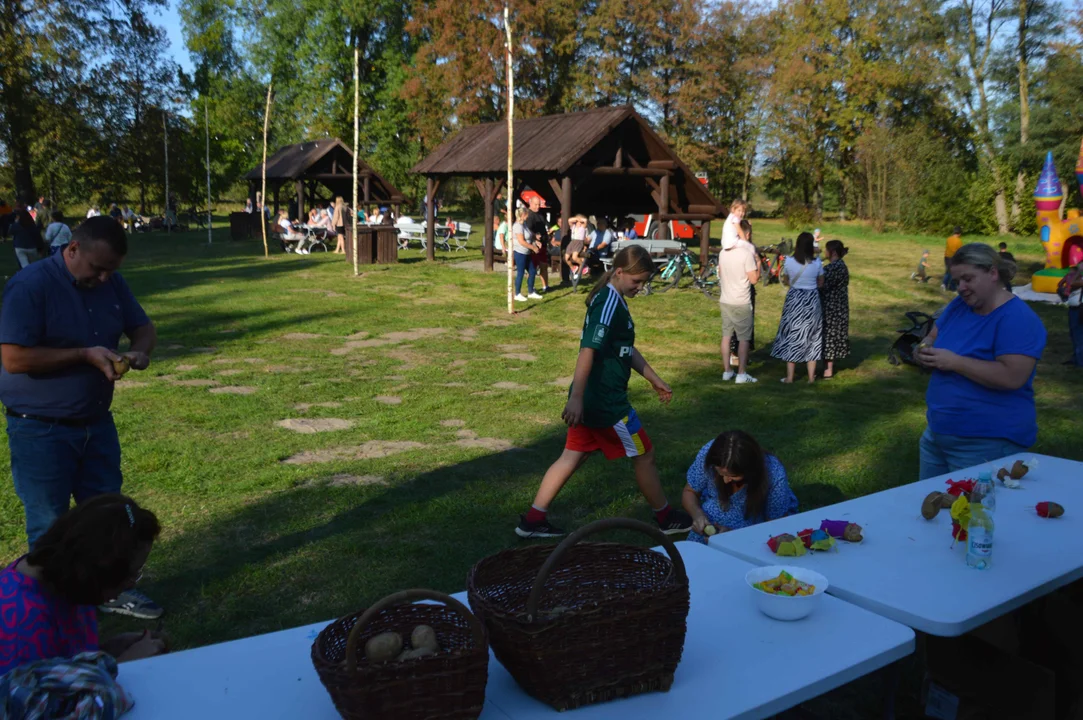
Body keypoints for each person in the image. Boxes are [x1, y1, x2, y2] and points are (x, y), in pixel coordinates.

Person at [0, 217, 162, 619]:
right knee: (50, 523)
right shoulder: (31, 285)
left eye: (112, 271)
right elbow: (13, 358)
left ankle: (109, 592)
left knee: (109, 518)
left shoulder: (111, 283)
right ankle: (49, 608)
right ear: (72, 249)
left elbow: (143, 327)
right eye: (97, 268)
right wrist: (84, 353)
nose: (104, 278)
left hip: (95, 423)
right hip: (39, 427)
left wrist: (140, 351)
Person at [516, 245, 693, 538]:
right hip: (606, 404)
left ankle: (533, 520)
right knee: (644, 453)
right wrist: (576, 399)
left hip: (593, 400)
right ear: (619, 272)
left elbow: (625, 348)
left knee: (573, 455)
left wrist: (654, 378)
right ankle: (664, 518)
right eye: (637, 282)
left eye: (644, 283)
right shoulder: (608, 303)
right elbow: (588, 349)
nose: (640, 288)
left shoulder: (614, 298)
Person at [916, 243, 1046, 479]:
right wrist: (923, 350)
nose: (961, 288)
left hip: (987, 441)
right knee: (933, 512)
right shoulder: (959, 306)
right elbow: (932, 336)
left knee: (978, 514)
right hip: (937, 434)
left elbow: (1012, 377)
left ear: (993, 273)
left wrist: (955, 362)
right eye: (957, 282)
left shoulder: (1017, 318)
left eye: (968, 279)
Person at [0, 494, 167, 676]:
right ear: (96, 568)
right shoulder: (24, 621)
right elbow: (35, 700)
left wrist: (106, 651)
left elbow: (63, 662)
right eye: (128, 574)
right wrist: (122, 665)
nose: (131, 584)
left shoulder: (65, 579)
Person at [682, 430, 798, 544]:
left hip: (754, 524)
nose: (725, 480)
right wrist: (698, 514)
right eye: (720, 473)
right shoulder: (710, 454)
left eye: (733, 476)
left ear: (750, 470)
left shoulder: (774, 473)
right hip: (714, 515)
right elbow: (690, 491)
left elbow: (775, 528)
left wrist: (735, 536)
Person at [771, 231, 824, 384]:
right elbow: (821, 282)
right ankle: (811, 377)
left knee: (793, 335)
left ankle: (790, 377)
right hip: (812, 300)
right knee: (813, 336)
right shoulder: (817, 263)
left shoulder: (789, 262)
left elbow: (786, 279)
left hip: (795, 299)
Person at [719, 216, 759, 384]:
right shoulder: (746, 254)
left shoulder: (723, 252)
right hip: (741, 301)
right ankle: (741, 373)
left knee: (726, 336)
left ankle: (727, 371)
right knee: (743, 338)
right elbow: (754, 279)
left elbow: (720, 274)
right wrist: (757, 262)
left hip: (725, 299)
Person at [821, 240, 851, 379]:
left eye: (826, 250)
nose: (824, 253)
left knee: (830, 337)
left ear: (832, 252)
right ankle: (827, 367)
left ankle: (828, 370)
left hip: (833, 308)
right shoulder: (840, 266)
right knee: (831, 337)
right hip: (839, 306)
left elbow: (821, 284)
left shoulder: (833, 268)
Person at [512, 207, 542, 302]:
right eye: (527, 214)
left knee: (532, 271)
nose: (528, 216)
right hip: (519, 252)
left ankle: (531, 292)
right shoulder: (517, 226)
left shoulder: (524, 224)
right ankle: (517, 293)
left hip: (527, 252)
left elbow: (529, 234)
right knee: (520, 272)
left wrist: (535, 240)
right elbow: (521, 241)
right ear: (522, 215)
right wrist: (533, 247)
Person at [526, 195, 552, 292]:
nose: (537, 207)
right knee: (532, 268)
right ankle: (531, 288)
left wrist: (550, 232)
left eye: (539, 204)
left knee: (544, 266)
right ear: (530, 203)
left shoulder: (540, 214)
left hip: (543, 244)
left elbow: (547, 225)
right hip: (534, 246)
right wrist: (535, 238)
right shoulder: (529, 215)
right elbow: (527, 231)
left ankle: (545, 286)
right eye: (535, 204)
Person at [1064, 261, 1083, 367]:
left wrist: (1079, 271)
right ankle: (1076, 358)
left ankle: (1080, 361)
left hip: (1079, 309)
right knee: (1074, 334)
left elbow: (1073, 283)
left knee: (1079, 335)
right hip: (1075, 308)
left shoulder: (1080, 279)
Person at [942, 225, 963, 291]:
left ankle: (944, 284)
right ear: (959, 233)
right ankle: (951, 286)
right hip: (953, 258)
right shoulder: (959, 241)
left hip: (946, 257)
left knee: (948, 270)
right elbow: (959, 251)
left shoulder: (949, 239)